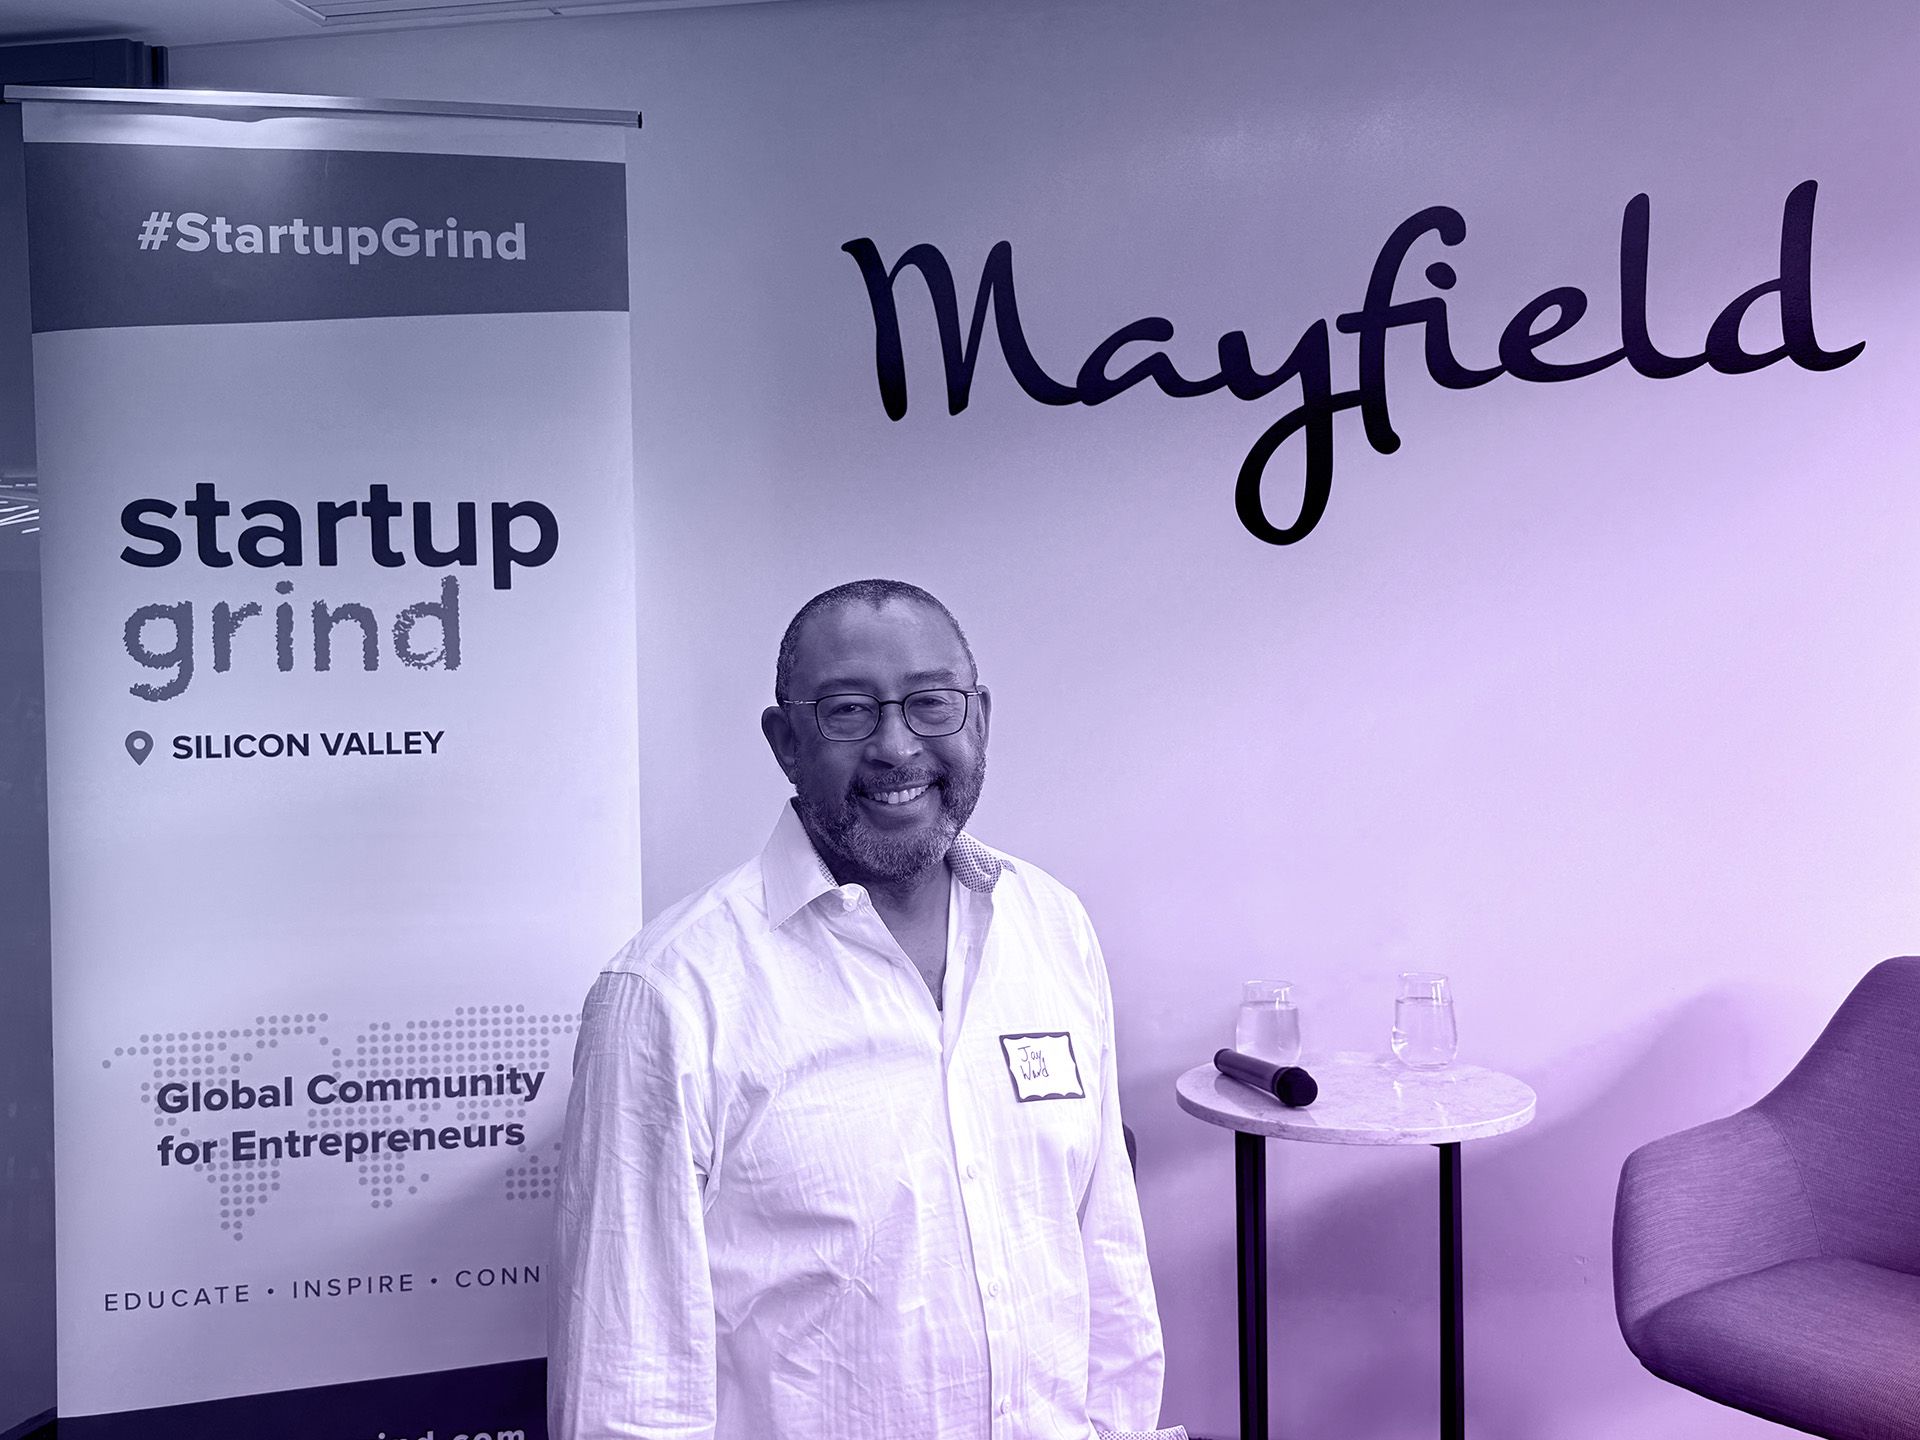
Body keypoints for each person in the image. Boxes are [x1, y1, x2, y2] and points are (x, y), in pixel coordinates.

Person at [549, 578, 1166, 1440]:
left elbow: (1107, 1259)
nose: (895, 746)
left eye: (930, 702)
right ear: (785, 742)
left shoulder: (1052, 925)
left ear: (979, 719)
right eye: (847, 711)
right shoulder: (670, 995)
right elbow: (628, 1384)